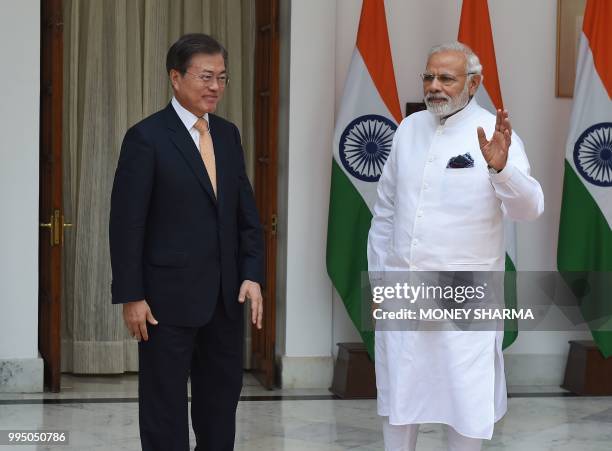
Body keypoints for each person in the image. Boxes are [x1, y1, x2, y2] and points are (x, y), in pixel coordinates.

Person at [367, 42, 544, 451]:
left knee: (466, 400)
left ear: (474, 83)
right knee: (399, 397)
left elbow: (529, 207)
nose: (434, 86)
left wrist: (501, 168)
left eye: (446, 78)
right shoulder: (408, 129)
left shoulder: (495, 134)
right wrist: (379, 280)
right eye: (429, 77)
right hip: (403, 289)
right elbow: (386, 213)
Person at [109, 33, 264, 451]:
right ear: (176, 78)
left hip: (224, 299)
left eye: (223, 78)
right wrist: (131, 295)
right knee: (164, 408)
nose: (216, 86)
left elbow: (245, 216)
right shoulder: (147, 138)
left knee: (220, 404)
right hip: (164, 303)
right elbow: (126, 224)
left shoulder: (229, 136)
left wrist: (251, 274)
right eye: (206, 76)